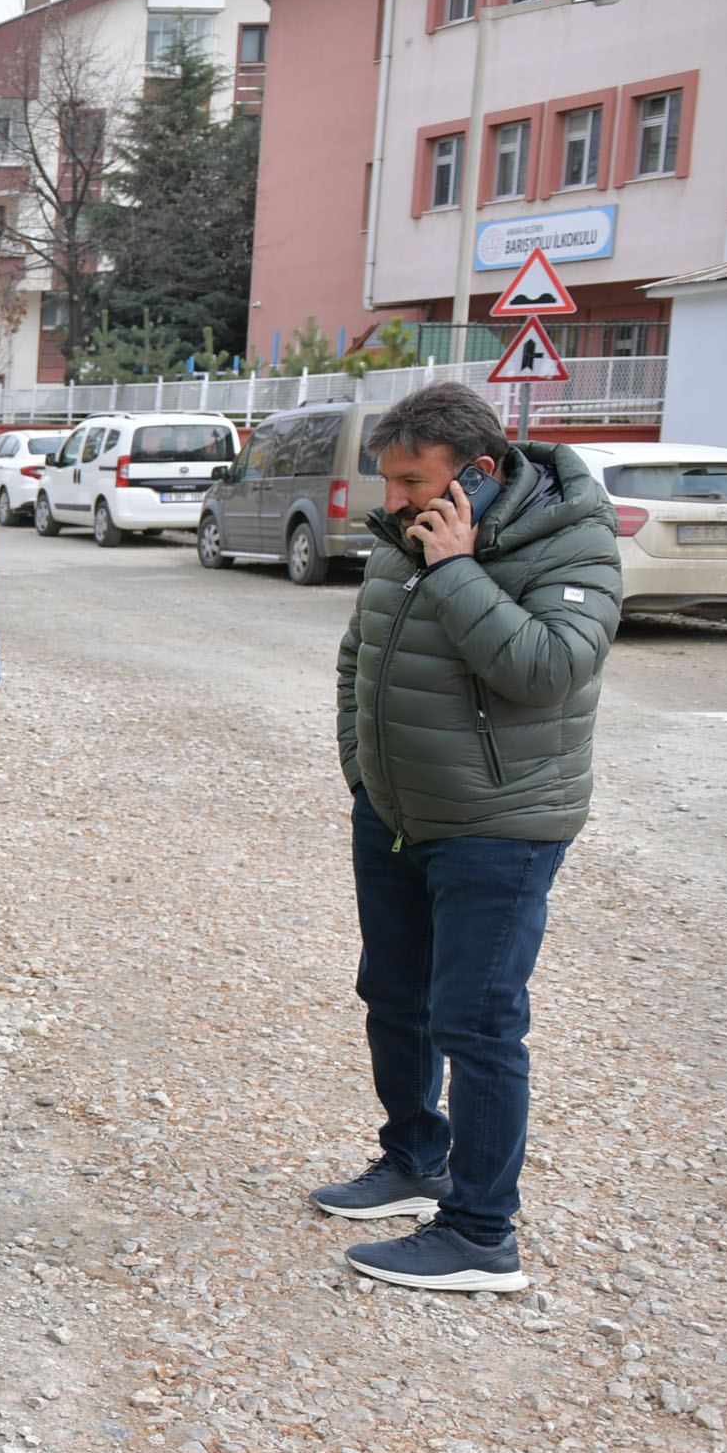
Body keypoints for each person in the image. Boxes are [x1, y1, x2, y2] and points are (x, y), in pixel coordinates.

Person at [310, 383, 618, 1293]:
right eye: (390, 481)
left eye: (412, 481)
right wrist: (362, 771)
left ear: (477, 475)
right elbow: (357, 655)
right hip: (398, 816)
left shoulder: (571, 539)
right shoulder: (407, 537)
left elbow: (549, 668)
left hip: (500, 823)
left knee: (478, 1025)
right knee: (392, 994)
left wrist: (456, 571)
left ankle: (482, 1235)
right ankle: (415, 1159)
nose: (396, 499)